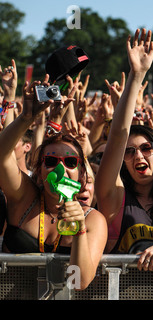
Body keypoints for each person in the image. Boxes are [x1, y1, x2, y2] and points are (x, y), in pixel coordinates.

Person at [0, 79, 107, 290]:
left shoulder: (93, 219)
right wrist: (26, 118)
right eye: (50, 161)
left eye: (69, 162)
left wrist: (79, 230)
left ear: (82, 174)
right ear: (39, 171)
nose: (60, 169)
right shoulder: (24, 196)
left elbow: (79, 282)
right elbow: (2, 156)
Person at [95, 29, 153, 272]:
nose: (138, 156)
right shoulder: (114, 197)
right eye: (130, 152)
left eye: (145, 148)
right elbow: (118, 136)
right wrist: (137, 75)